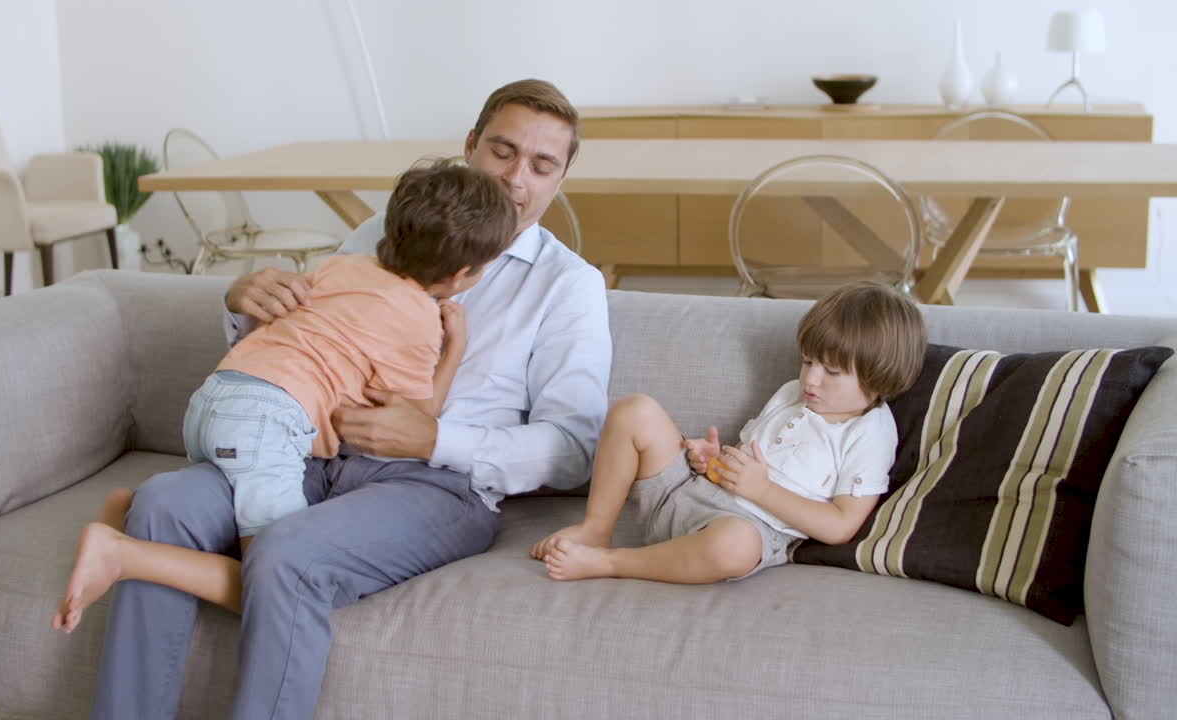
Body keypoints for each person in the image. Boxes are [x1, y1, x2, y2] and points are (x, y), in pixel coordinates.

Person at [85, 78, 612, 720]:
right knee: (161, 504)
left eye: (541, 165)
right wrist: (246, 304)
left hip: (436, 486)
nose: (515, 179)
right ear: (470, 146)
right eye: (502, 151)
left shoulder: (568, 286)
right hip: (309, 455)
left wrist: (435, 440)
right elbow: (312, 341)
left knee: (286, 553)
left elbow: (575, 449)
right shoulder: (375, 233)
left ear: (561, 178)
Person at [50, 159, 515, 633]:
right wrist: (454, 347)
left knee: (253, 553)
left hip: (218, 396)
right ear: (460, 276)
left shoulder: (341, 266)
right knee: (274, 586)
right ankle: (122, 553)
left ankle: (122, 515)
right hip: (266, 423)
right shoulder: (418, 316)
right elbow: (415, 418)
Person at [530, 282, 926, 584]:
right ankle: (596, 529)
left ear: (879, 378)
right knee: (635, 411)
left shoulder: (870, 433)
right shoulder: (793, 393)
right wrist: (711, 463)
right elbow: (740, 462)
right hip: (687, 496)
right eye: (807, 361)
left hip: (747, 529)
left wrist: (762, 491)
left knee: (734, 547)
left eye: (831, 372)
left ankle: (610, 564)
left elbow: (841, 526)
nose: (810, 379)